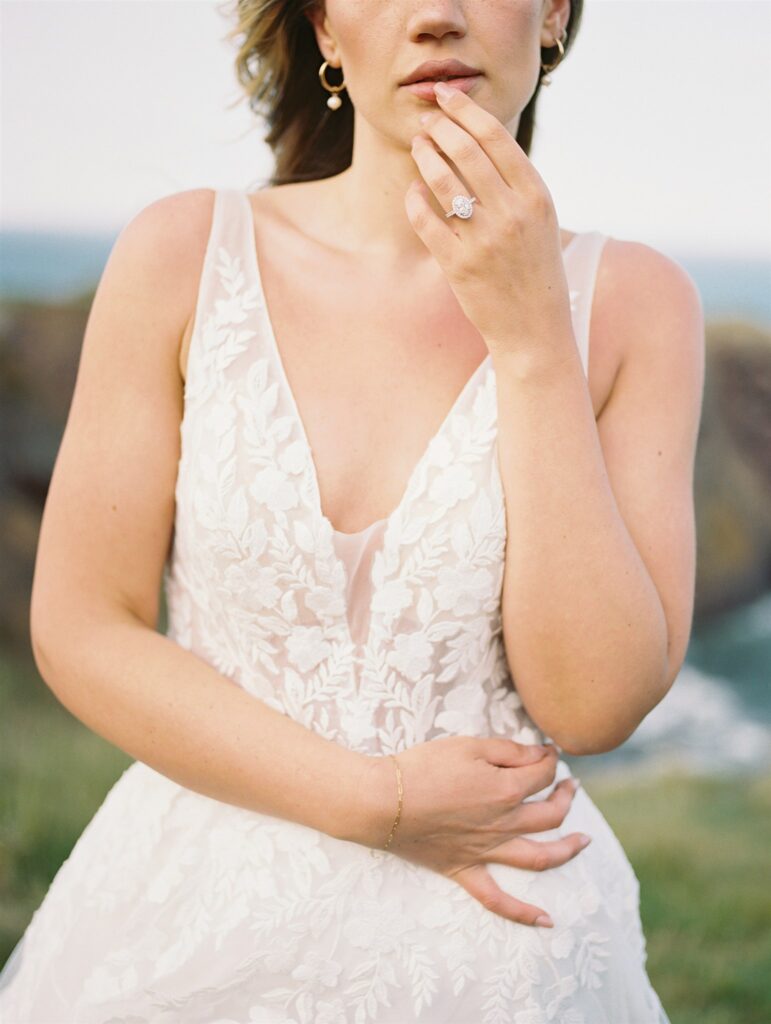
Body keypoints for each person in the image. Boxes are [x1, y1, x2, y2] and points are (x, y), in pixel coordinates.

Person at [0, 0, 705, 1020]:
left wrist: (533, 339)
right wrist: (374, 801)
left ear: (553, 11)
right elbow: (80, 624)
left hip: (503, 956)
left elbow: (594, 704)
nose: (435, 16)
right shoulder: (183, 254)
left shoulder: (641, 304)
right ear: (326, 30)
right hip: (185, 928)